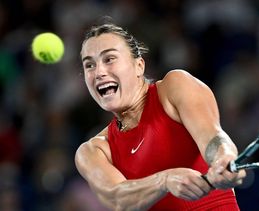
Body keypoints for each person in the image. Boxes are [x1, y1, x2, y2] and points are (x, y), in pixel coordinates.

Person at [74, 21, 247, 211]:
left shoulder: (175, 87)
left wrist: (224, 159)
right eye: (89, 65)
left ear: (139, 66)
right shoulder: (93, 151)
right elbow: (117, 199)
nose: (98, 72)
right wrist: (164, 181)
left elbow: (213, 137)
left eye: (109, 59)